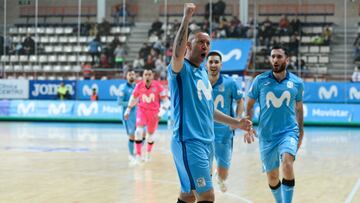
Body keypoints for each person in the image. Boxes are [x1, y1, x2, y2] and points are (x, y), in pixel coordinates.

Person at [168, 3, 253, 203]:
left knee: (188, 195)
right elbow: (177, 54)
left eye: (208, 43)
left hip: (207, 142)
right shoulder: (181, 70)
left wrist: (236, 123)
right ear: (189, 46)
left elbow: (209, 110)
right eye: (200, 42)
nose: (205, 46)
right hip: (189, 141)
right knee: (207, 195)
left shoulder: (202, 74)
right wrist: (186, 19)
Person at [245, 45, 304, 203]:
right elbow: (249, 105)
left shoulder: (297, 83)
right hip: (267, 135)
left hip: (288, 132)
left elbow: (299, 109)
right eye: (273, 57)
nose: (275, 60)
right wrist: (248, 124)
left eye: (279, 56)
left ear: (286, 59)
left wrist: (301, 131)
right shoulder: (260, 80)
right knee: (272, 177)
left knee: (287, 164)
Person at [206, 51, 244, 193]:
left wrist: (237, 120)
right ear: (206, 64)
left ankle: (220, 177)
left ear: (221, 64)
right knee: (204, 169)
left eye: (216, 62)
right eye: (211, 62)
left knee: (224, 173)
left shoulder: (230, 83)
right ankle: (206, 192)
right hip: (204, 131)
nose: (213, 65)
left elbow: (240, 100)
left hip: (224, 133)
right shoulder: (200, 82)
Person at [124, 68, 169, 162]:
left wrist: (161, 113)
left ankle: (148, 154)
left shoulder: (158, 86)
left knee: (150, 136)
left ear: (152, 76)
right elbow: (133, 98)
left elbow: (166, 102)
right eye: (146, 74)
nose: (147, 76)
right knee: (138, 132)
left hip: (154, 113)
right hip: (142, 111)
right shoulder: (139, 85)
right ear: (143, 76)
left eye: (149, 74)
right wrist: (128, 110)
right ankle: (138, 156)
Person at [118, 69, 138, 164]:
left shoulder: (138, 87)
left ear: (135, 76)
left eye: (133, 74)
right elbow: (119, 102)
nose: (131, 76)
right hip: (128, 116)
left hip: (138, 114)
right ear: (126, 76)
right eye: (129, 74)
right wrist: (131, 104)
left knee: (142, 134)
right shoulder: (123, 88)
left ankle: (137, 152)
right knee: (132, 135)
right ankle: (131, 155)